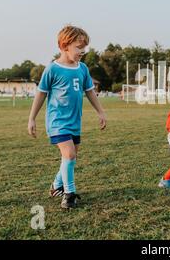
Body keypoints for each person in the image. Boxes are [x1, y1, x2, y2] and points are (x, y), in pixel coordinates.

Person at [27, 25, 107, 209]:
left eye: (84, 48)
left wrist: (100, 111)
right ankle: (69, 195)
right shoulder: (52, 69)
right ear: (65, 45)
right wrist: (32, 118)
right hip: (57, 122)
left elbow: (90, 91)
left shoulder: (82, 68)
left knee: (70, 158)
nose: (83, 52)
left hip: (74, 122)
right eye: (79, 47)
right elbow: (41, 94)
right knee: (69, 154)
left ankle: (56, 186)